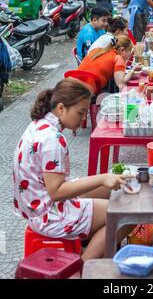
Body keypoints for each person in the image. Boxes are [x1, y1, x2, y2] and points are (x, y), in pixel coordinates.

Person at [13, 79, 135, 261]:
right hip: (49, 214)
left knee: (110, 188)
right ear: (61, 108)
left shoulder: (39, 125)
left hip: (39, 204)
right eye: (80, 112)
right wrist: (102, 178)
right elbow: (56, 192)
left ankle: (93, 241)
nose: (84, 118)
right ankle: (83, 266)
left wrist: (105, 179)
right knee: (127, 215)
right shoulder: (52, 139)